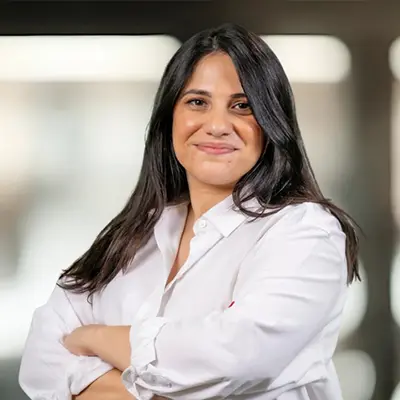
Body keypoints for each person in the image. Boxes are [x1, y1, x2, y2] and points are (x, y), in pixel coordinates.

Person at [19, 23, 360, 400]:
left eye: (242, 106)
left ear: (271, 122)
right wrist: (177, 385)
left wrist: (94, 338)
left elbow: (237, 358)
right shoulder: (136, 233)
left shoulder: (304, 232)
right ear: (169, 117)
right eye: (198, 102)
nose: (217, 126)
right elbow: (41, 360)